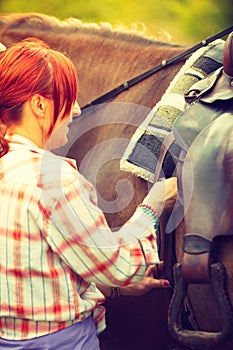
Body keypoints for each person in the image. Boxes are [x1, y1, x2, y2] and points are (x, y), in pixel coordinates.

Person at [0, 38, 177, 349]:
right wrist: (154, 204)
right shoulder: (53, 181)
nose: (78, 109)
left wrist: (112, 290)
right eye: (69, 97)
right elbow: (121, 266)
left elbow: (37, 269)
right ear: (39, 105)